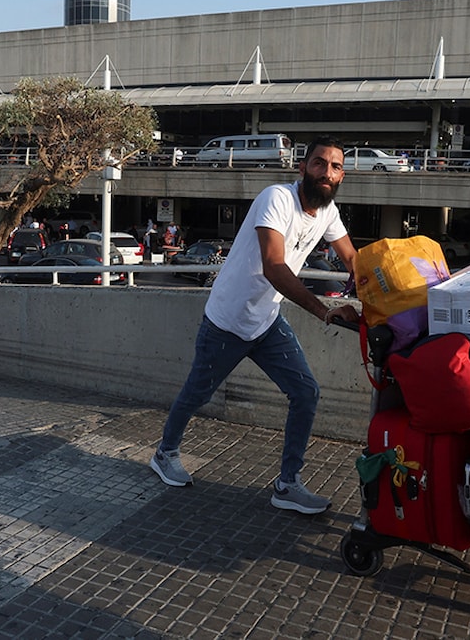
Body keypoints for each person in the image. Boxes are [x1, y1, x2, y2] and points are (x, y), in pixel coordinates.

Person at [149, 137, 359, 515]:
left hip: (265, 322)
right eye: (319, 164)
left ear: (342, 175)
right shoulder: (277, 198)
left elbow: (354, 261)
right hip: (227, 321)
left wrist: (389, 295)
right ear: (303, 168)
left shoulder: (327, 212)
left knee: (305, 392)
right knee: (196, 393)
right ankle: (165, 454)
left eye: (335, 167)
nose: (326, 172)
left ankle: (287, 484)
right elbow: (274, 268)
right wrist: (325, 310)